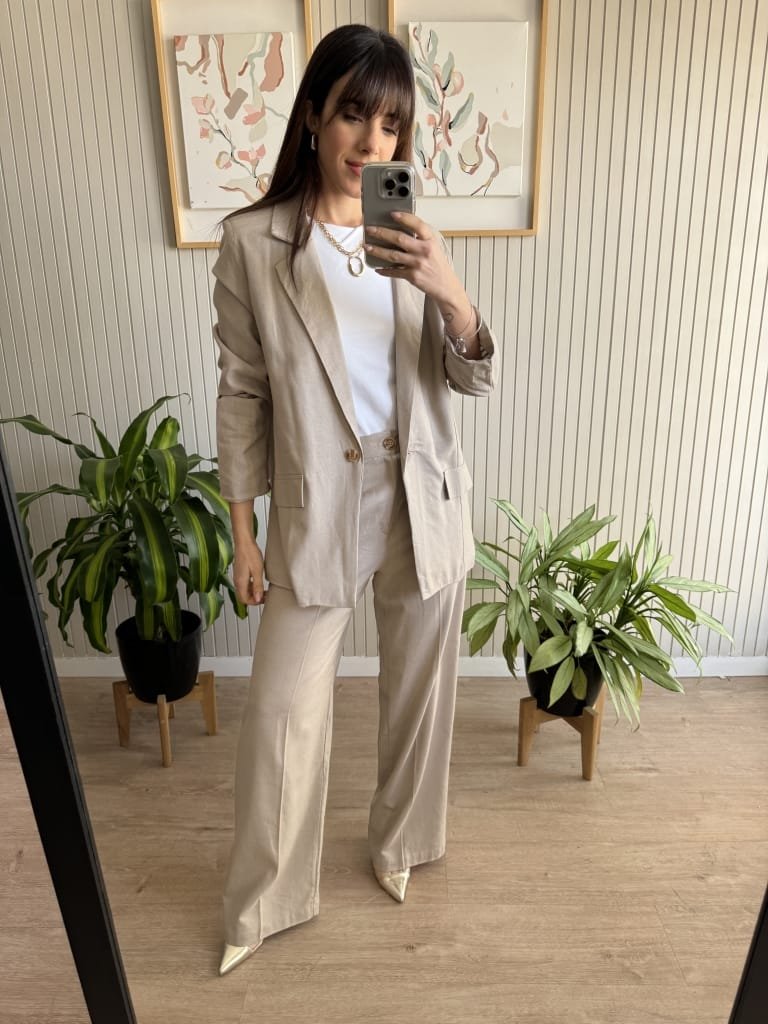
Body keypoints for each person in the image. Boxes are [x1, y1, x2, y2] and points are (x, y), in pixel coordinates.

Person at [212, 24, 497, 977]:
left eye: (391, 126)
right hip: (318, 499)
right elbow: (242, 395)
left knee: (419, 693)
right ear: (312, 115)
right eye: (353, 115)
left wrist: (451, 294)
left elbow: (471, 375)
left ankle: (402, 844)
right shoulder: (253, 244)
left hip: (423, 487)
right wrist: (243, 534)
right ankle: (264, 901)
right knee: (283, 714)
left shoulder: (411, 233)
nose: (372, 143)